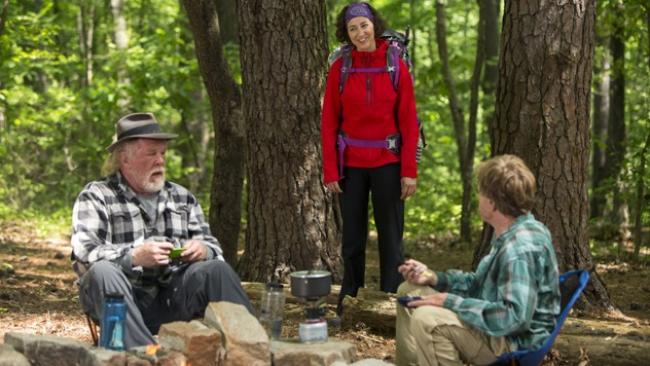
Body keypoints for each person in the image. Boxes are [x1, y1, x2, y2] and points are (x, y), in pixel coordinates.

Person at [71, 112, 253, 349]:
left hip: (172, 297)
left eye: (163, 153)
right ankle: (147, 358)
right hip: (119, 300)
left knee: (216, 269)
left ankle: (253, 351)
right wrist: (134, 256)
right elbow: (84, 253)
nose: (160, 161)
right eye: (151, 154)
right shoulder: (97, 195)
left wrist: (203, 250)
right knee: (103, 271)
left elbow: (213, 247)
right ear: (124, 159)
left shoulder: (181, 197)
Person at [395, 155, 560, 366]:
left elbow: (514, 319)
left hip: (512, 343)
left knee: (427, 320)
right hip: (501, 330)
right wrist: (434, 278)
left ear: (492, 203)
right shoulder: (512, 230)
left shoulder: (518, 251)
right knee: (409, 290)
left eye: (481, 193)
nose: (478, 198)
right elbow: (479, 285)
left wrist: (450, 301)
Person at [321, 2, 419, 315]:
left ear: (374, 25)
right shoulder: (340, 67)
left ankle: (390, 304)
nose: (360, 32)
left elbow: (408, 119)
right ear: (346, 34)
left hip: (388, 162)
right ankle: (349, 301)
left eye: (364, 25)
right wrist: (330, 170)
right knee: (351, 239)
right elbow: (328, 122)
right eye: (353, 28)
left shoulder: (394, 62)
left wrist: (409, 170)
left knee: (392, 239)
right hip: (350, 164)